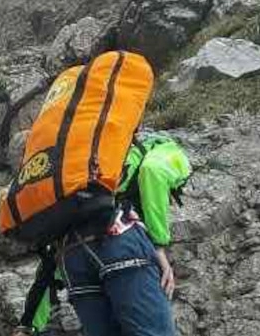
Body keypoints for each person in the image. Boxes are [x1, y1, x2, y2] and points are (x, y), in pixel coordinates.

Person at [13, 133, 191, 336]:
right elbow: (153, 172)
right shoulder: (160, 150)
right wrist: (159, 245)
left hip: (73, 257)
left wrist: (28, 323)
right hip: (120, 245)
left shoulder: (78, 177)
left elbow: (49, 264)